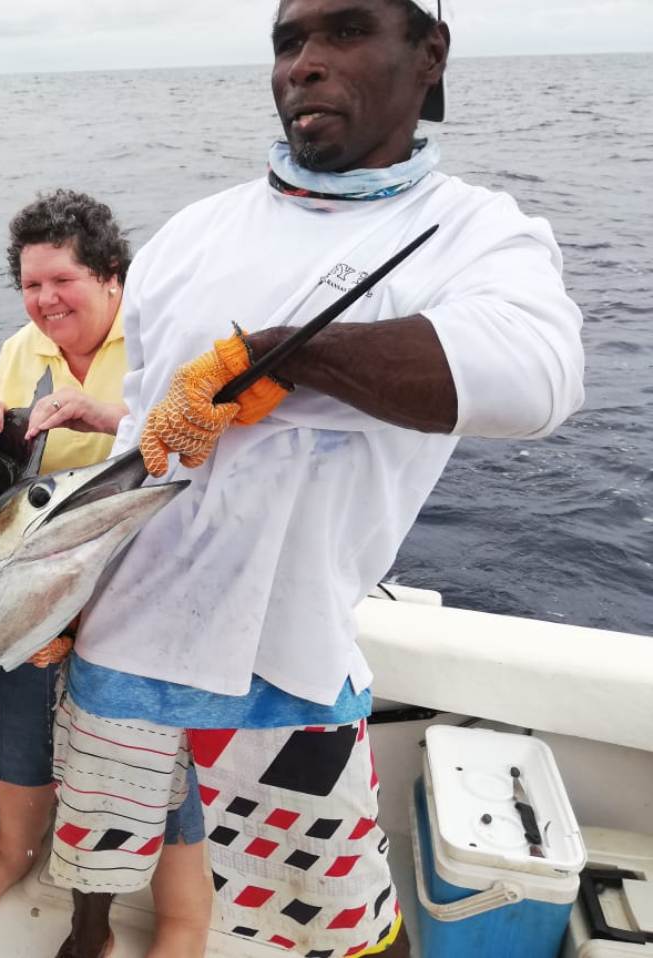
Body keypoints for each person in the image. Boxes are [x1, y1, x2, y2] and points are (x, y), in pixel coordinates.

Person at [48, 2, 586, 957]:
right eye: (287, 42)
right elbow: (140, 435)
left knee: (331, 925)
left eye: (342, 33)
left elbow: (537, 377)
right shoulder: (191, 231)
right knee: (97, 847)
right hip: (122, 634)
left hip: (285, 659)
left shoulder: (473, 232)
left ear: (429, 53)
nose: (304, 64)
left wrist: (279, 357)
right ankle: (87, 937)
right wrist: (65, 587)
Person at [0, 191, 208, 941]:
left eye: (60, 281)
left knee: (152, 739)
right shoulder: (18, 352)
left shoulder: (163, 336)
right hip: (46, 580)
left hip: (144, 577)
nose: (44, 300)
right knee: (13, 689)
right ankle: (11, 846)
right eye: (31, 285)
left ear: (110, 276)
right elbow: (2, 486)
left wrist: (107, 421)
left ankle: (185, 914)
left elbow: (195, 449)